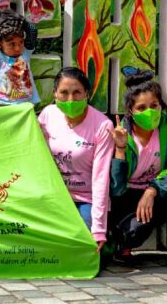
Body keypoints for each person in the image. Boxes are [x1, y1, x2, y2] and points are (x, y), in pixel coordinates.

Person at [106, 80, 167, 266]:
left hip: (157, 192)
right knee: (131, 234)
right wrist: (120, 149)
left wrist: (152, 190)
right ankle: (123, 245)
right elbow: (116, 188)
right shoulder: (121, 132)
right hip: (126, 196)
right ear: (130, 111)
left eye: (154, 106)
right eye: (141, 108)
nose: (149, 112)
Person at [40, 67, 116, 249]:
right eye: (64, 93)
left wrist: (98, 229)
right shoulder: (47, 115)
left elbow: (100, 179)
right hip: (55, 197)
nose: (71, 99)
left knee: (82, 247)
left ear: (87, 94)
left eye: (77, 93)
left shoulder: (103, 125)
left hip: (86, 199)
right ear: (55, 94)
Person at [0, 11, 40, 105]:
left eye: (21, 42)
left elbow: (32, 30)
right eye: (11, 44)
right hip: (3, 104)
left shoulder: (25, 54)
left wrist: (19, 21)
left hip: (26, 103)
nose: (18, 48)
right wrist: (1, 21)